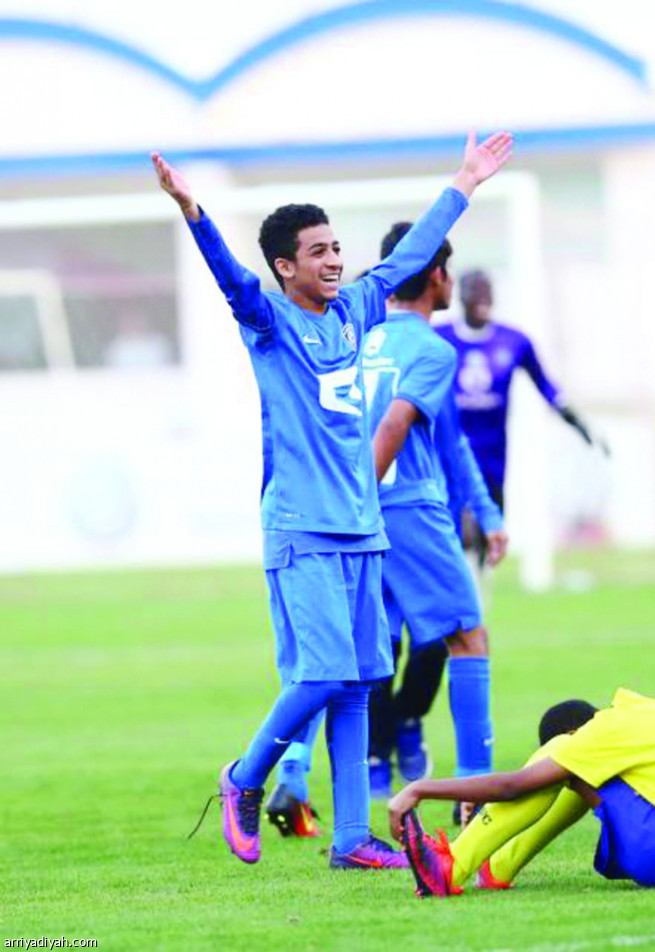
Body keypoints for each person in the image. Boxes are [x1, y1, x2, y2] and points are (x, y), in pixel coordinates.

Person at [153, 128, 514, 868]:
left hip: (361, 528)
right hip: (301, 528)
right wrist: (194, 211)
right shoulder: (269, 322)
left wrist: (465, 184)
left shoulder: (356, 311)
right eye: (317, 252)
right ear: (285, 267)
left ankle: (351, 837)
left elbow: (410, 259)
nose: (334, 260)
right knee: (319, 675)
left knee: (356, 683)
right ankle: (243, 776)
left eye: (336, 248)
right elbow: (229, 276)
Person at [364, 222, 508, 800]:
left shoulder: (357, 340)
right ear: (438, 276)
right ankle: (476, 790)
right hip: (405, 505)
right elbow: (403, 428)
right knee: (468, 638)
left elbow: (447, 440)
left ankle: (309, 777)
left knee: (360, 653)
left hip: (357, 510)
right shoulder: (430, 348)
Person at [386, 689, 655, 896]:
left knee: (559, 762)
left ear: (574, 731)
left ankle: (453, 865)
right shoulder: (653, 712)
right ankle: (496, 866)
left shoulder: (601, 733)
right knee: (572, 767)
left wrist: (419, 788)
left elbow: (513, 786)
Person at [436, 270, 601, 559]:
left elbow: (546, 386)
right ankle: (462, 588)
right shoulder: (439, 338)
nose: (483, 298)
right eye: (476, 291)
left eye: (488, 292)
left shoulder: (513, 341)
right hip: (450, 449)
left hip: (494, 453)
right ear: (461, 296)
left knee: (489, 535)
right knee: (456, 529)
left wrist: (576, 421)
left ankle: (479, 590)